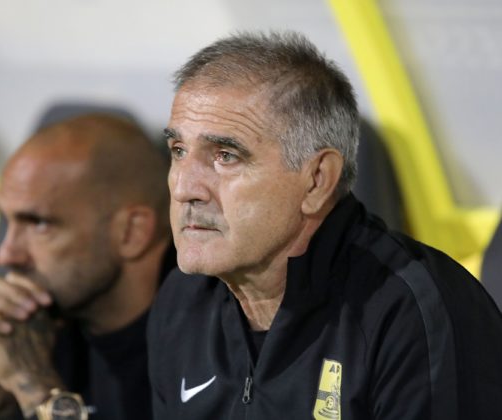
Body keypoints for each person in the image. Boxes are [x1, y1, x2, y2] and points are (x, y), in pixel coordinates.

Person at [147, 31, 502, 419]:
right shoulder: (183, 300)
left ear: (317, 180)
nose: (184, 188)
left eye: (226, 156)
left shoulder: (412, 313)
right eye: (178, 151)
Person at [0, 114, 173, 420]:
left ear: (131, 232)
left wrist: (40, 393)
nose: (7, 255)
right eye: (6, 220)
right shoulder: (30, 326)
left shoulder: (201, 346)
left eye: (39, 224)